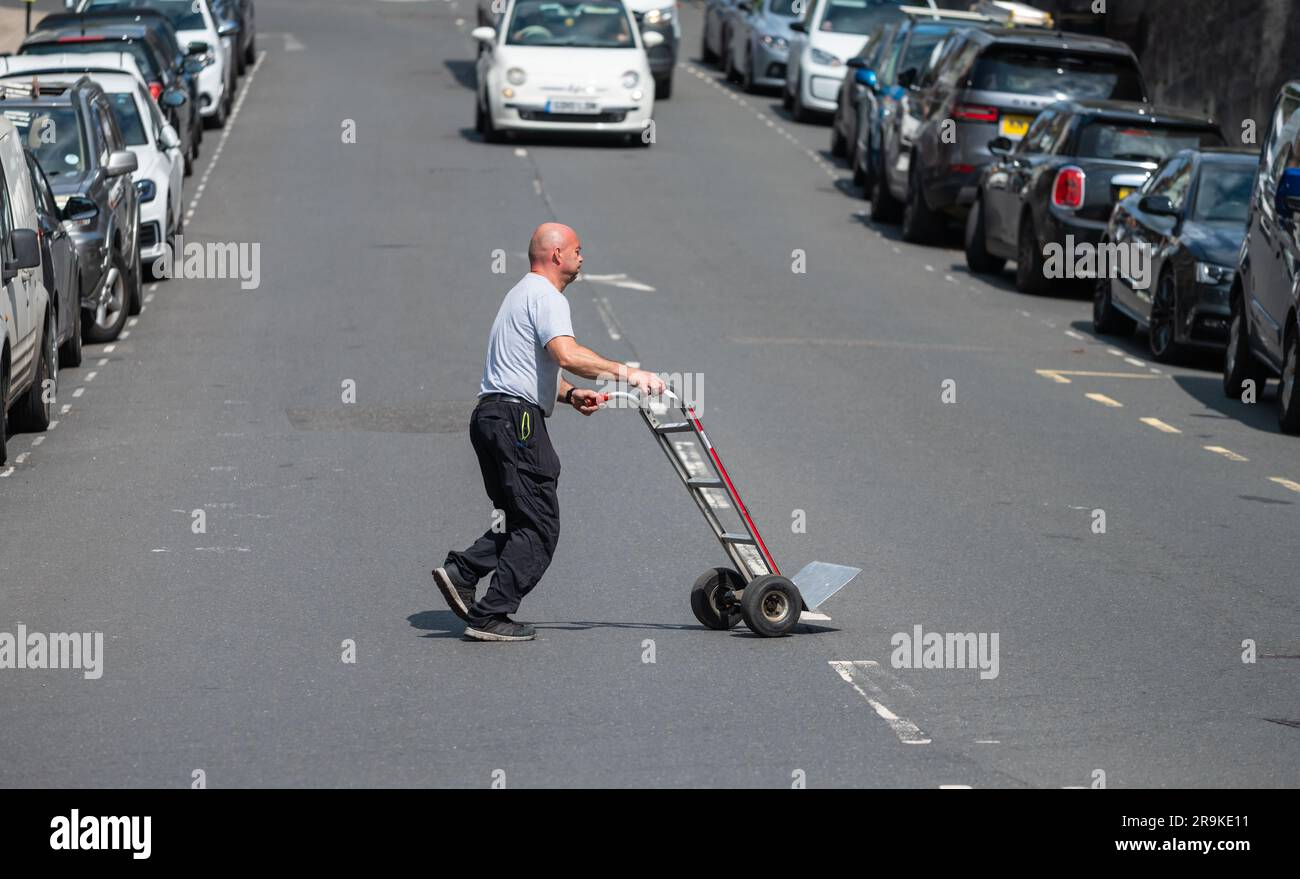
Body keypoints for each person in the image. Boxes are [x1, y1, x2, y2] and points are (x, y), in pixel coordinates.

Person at [433, 223, 666, 642]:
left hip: (491, 416)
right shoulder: (546, 297)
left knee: (519, 515)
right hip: (517, 421)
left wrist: (571, 394)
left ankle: (464, 571)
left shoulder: (519, 295)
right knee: (539, 523)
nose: (583, 256)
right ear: (557, 255)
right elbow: (566, 354)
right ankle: (491, 613)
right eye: (578, 249)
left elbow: (524, 369)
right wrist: (628, 373)